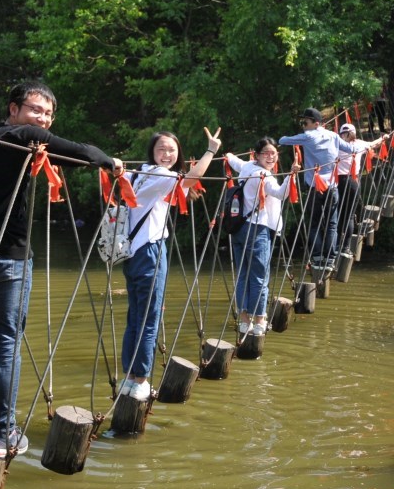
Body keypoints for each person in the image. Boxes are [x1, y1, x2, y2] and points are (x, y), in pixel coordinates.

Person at [0, 81, 123, 459]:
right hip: (8, 258)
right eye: (36, 110)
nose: (43, 120)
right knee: (5, 344)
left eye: (49, 114)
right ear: (13, 110)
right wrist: (110, 161)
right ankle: (1, 433)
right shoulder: (23, 135)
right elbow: (81, 153)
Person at [120, 127, 222, 401]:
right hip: (150, 252)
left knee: (135, 317)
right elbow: (192, 178)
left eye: (171, 150)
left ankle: (129, 379)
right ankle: (141, 380)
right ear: (153, 152)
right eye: (161, 149)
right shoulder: (161, 175)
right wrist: (212, 149)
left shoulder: (136, 173)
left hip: (130, 255)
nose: (167, 154)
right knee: (149, 319)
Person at [224, 139, 299, 335]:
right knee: (259, 278)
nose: (271, 156)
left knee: (242, 276)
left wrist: (229, 156)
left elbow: (235, 162)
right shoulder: (264, 176)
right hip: (257, 231)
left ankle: (243, 320)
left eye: (274, 153)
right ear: (257, 155)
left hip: (239, 229)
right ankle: (259, 320)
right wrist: (292, 175)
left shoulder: (247, 167)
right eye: (266, 153)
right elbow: (281, 194)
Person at [278, 108, 354, 268]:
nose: (303, 125)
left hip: (314, 188)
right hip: (332, 186)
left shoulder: (307, 136)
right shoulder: (333, 136)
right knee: (332, 223)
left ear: (316, 123)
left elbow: (282, 140)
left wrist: (298, 139)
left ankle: (318, 256)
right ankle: (330, 258)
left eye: (305, 122)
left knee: (315, 223)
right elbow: (351, 149)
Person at [336, 122, 390, 253]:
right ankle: (345, 247)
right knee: (348, 215)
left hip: (337, 182)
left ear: (341, 133)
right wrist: (384, 138)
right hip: (353, 181)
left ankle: (336, 245)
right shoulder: (359, 144)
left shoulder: (335, 144)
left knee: (337, 214)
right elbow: (374, 144)